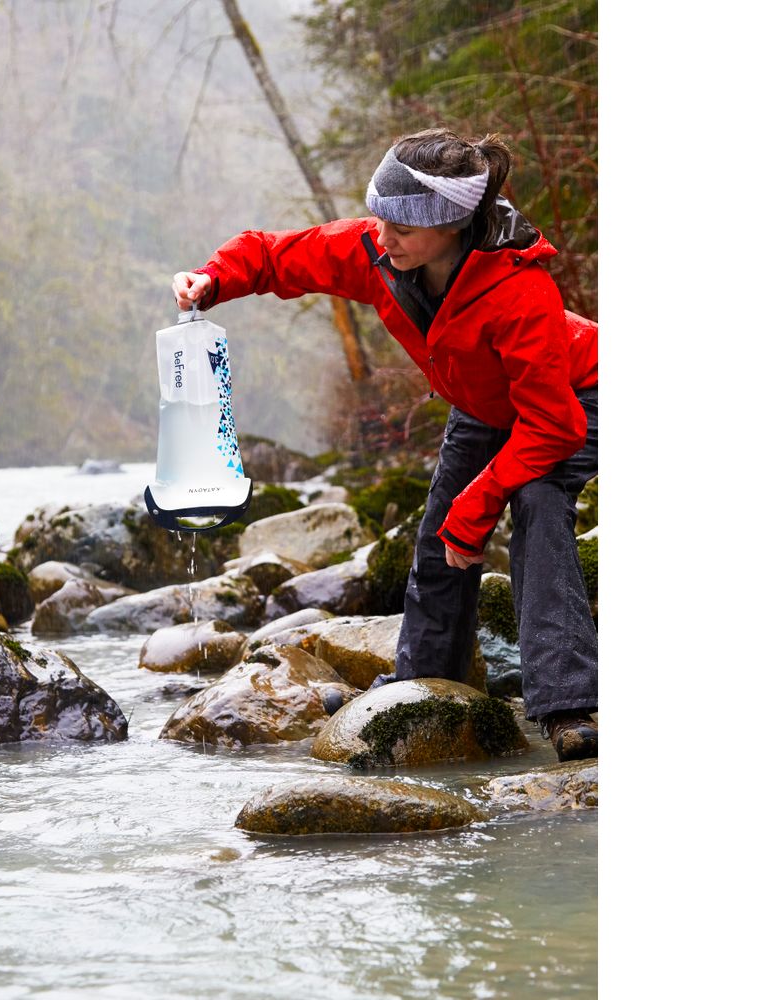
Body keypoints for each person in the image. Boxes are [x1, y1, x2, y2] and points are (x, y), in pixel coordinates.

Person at [171, 127, 598, 762]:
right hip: (485, 407)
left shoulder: (520, 290)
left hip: (577, 398)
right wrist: (210, 280)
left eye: (400, 223)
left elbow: (553, 425)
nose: (383, 233)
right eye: (380, 216)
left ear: (450, 224)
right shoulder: (382, 253)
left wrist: (482, 503)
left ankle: (568, 706)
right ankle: (425, 686)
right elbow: (277, 255)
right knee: (438, 538)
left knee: (534, 501)